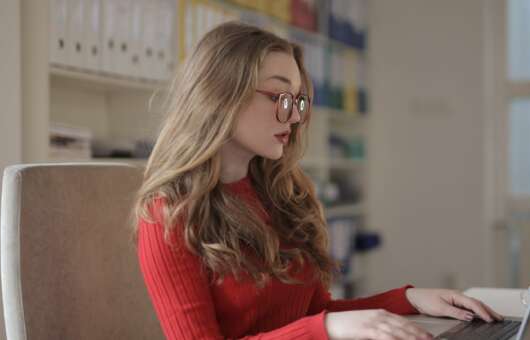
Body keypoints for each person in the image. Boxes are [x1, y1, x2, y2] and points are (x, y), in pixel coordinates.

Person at [132, 22, 502, 340]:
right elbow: (318, 326)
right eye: (280, 97)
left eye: (298, 101)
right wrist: (326, 328)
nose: (293, 118)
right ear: (220, 94)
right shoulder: (168, 214)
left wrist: (409, 299)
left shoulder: (283, 194)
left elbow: (314, 314)